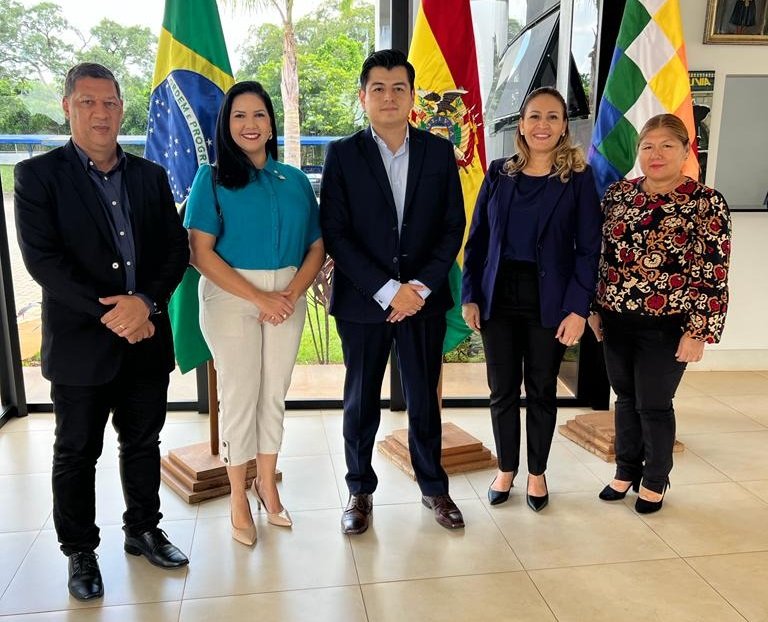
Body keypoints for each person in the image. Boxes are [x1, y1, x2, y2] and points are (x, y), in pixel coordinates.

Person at [14, 63, 190, 601]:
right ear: (67, 107)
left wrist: (146, 304)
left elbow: (174, 250)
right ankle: (80, 551)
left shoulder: (149, 175)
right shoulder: (37, 176)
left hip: (146, 339)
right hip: (81, 346)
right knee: (76, 451)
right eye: (88, 102)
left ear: (121, 109)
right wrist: (116, 315)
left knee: (142, 443)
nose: (100, 112)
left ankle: (142, 530)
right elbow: (44, 262)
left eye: (110, 103)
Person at [320, 49, 466, 534]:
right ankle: (359, 491)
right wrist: (387, 290)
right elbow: (336, 232)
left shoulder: (438, 151)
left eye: (398, 88)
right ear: (363, 97)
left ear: (411, 97)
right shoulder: (342, 154)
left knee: (424, 397)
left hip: (422, 302)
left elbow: (452, 226)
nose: (388, 97)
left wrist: (418, 287)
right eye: (377, 89)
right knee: (360, 400)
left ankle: (433, 488)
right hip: (365, 302)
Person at [185, 81, 324, 546]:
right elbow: (200, 253)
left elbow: (316, 246)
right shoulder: (212, 177)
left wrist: (288, 294)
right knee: (241, 396)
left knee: (274, 394)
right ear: (227, 124)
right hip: (230, 296)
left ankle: (267, 485)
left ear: (271, 124)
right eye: (239, 116)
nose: (250, 124)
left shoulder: (295, 180)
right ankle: (238, 497)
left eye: (259, 115)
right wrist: (260, 298)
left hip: (288, 294)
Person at [461, 86, 602, 512]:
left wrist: (578, 308)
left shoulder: (578, 180)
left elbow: (588, 248)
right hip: (499, 296)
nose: (543, 125)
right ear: (521, 124)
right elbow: (479, 239)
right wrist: (470, 295)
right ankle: (507, 467)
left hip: (550, 300)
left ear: (564, 127)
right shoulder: (499, 173)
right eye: (535, 116)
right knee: (501, 388)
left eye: (553, 117)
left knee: (541, 388)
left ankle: (537, 472)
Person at [589, 113, 731, 514]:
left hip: (669, 326)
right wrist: (592, 308)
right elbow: (601, 257)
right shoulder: (619, 196)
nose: (656, 154)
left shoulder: (706, 203)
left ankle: (655, 478)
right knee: (625, 398)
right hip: (615, 319)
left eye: (667, 145)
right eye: (648, 146)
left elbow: (713, 271)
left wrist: (698, 331)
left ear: (686, 151)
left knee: (653, 402)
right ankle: (625, 470)